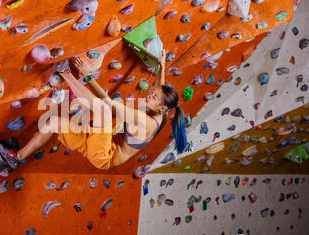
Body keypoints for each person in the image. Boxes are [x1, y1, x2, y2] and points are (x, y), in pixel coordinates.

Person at [12, 49, 187, 170]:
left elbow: (107, 103)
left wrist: (87, 75)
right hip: (99, 143)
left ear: (163, 107)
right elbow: (160, 89)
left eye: (153, 97)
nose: (149, 96)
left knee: (103, 111)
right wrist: (162, 66)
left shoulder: (146, 122)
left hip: (104, 155)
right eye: (151, 92)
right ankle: (17, 157)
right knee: (53, 123)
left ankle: (65, 73)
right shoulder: (162, 112)